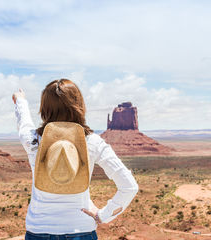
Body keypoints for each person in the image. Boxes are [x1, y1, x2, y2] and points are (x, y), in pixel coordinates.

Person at [12, 79, 139, 240]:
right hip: (81, 230)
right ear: (79, 106)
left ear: (45, 108)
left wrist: (20, 100)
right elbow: (129, 187)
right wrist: (103, 216)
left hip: (39, 231)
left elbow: (24, 123)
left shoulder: (34, 141)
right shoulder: (92, 142)